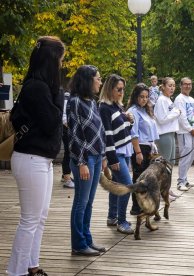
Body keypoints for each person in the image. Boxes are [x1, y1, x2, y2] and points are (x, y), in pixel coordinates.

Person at [7, 36, 65, 276]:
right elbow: (53, 123)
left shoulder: (38, 86)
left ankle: (32, 265)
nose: (62, 65)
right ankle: (16, 272)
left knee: (39, 219)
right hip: (31, 159)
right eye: (60, 60)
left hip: (40, 160)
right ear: (52, 60)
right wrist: (59, 93)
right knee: (29, 221)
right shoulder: (38, 88)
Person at [68, 65, 106, 256]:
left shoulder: (92, 101)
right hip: (84, 159)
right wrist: (82, 162)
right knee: (81, 202)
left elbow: (99, 131)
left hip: (97, 156)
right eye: (98, 78)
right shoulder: (74, 102)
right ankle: (78, 244)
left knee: (89, 202)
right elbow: (75, 135)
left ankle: (87, 239)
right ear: (88, 80)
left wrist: (104, 155)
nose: (100, 82)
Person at [99, 74, 135, 235]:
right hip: (116, 153)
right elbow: (107, 135)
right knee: (127, 186)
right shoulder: (104, 108)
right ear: (110, 89)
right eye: (118, 89)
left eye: (123, 89)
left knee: (117, 184)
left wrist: (129, 120)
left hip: (124, 150)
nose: (121, 92)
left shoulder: (116, 106)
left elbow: (124, 129)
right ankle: (122, 221)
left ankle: (112, 216)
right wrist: (111, 158)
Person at [126, 83, 160, 215]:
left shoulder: (146, 110)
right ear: (136, 97)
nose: (144, 99)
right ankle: (136, 207)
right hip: (139, 148)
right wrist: (138, 152)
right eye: (141, 96)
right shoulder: (133, 111)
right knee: (139, 178)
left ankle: (146, 205)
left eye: (146, 97)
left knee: (148, 179)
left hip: (149, 148)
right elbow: (133, 134)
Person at [174, 77, 194, 191]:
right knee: (185, 156)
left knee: (191, 156)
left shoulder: (191, 99)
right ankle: (180, 182)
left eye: (189, 84)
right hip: (184, 132)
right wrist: (190, 129)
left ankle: (185, 179)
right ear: (181, 86)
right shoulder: (179, 99)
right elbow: (181, 117)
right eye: (185, 84)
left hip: (193, 131)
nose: (188, 86)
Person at [154, 77, 181, 163]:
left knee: (171, 162)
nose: (172, 88)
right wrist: (177, 113)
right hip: (164, 134)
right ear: (163, 87)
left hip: (171, 133)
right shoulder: (161, 100)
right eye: (170, 85)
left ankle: (169, 177)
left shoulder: (168, 99)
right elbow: (161, 119)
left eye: (173, 85)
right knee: (165, 163)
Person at [61, 88, 75, 188]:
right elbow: (64, 116)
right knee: (68, 152)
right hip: (67, 130)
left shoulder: (72, 97)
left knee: (69, 153)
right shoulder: (67, 97)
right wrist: (70, 126)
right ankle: (67, 178)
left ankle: (65, 175)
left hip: (69, 129)